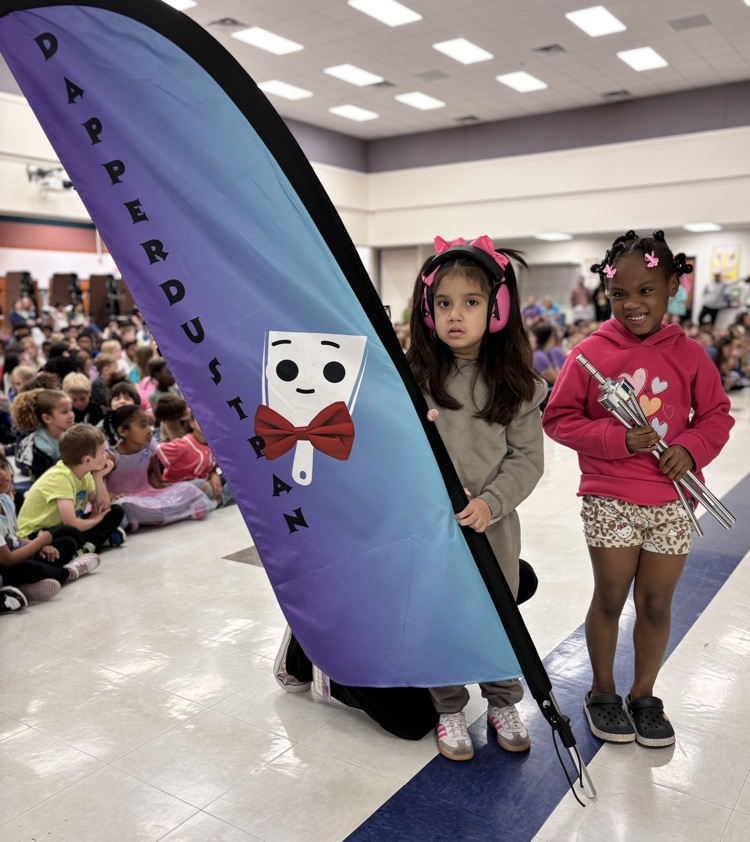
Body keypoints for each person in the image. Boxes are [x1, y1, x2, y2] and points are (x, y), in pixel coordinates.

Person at [543, 229, 734, 749]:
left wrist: (692, 448)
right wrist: (617, 438)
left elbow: (718, 414)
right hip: (610, 496)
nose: (632, 304)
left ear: (672, 285)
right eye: (620, 294)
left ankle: (644, 693)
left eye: (646, 290)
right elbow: (558, 419)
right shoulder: (590, 352)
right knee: (610, 596)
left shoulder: (691, 354)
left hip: (674, 499)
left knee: (654, 603)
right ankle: (601, 691)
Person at [406, 235, 546, 761]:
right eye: (444, 303)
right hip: (431, 529)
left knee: (495, 613)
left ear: (497, 308)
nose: (455, 315)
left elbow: (526, 461)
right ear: (427, 311)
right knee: (437, 614)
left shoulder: (517, 387)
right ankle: (447, 707)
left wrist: (490, 502)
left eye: (471, 302)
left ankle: (503, 700)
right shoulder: (412, 381)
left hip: (492, 528)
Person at [0, 454, 99, 601]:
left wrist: (38, 546)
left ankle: (24, 587)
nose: (3, 474)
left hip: (17, 554)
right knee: (31, 568)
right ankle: (68, 573)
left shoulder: (5, 500)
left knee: (67, 543)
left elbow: (14, 537)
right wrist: (38, 543)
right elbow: (7, 560)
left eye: (3, 467)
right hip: (5, 566)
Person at [17, 423, 126, 555]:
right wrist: (94, 520)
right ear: (87, 460)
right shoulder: (60, 478)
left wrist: (98, 477)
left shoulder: (85, 472)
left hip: (64, 526)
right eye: (103, 452)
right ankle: (94, 542)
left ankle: (87, 547)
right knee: (70, 535)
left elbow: (103, 508)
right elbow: (71, 522)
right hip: (36, 534)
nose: (107, 455)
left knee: (115, 511)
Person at [103, 405, 214, 531]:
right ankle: (182, 512)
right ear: (123, 431)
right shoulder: (112, 457)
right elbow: (97, 485)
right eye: (142, 425)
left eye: (150, 425)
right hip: (126, 498)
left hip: (148, 494)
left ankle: (142, 520)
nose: (150, 430)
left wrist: (161, 485)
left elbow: (151, 475)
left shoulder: (149, 450)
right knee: (123, 505)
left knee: (187, 488)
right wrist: (111, 495)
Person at [156, 410, 234, 506]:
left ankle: (216, 501)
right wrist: (157, 483)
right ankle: (213, 502)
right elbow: (154, 452)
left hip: (206, 482)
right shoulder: (183, 444)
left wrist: (213, 475)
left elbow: (210, 467)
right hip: (183, 489)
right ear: (191, 423)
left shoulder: (214, 445)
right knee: (204, 486)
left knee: (240, 476)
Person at [11, 388, 75, 480]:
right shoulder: (41, 446)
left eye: (71, 410)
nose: (71, 415)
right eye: (65, 412)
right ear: (47, 418)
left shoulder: (69, 433)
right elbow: (48, 478)